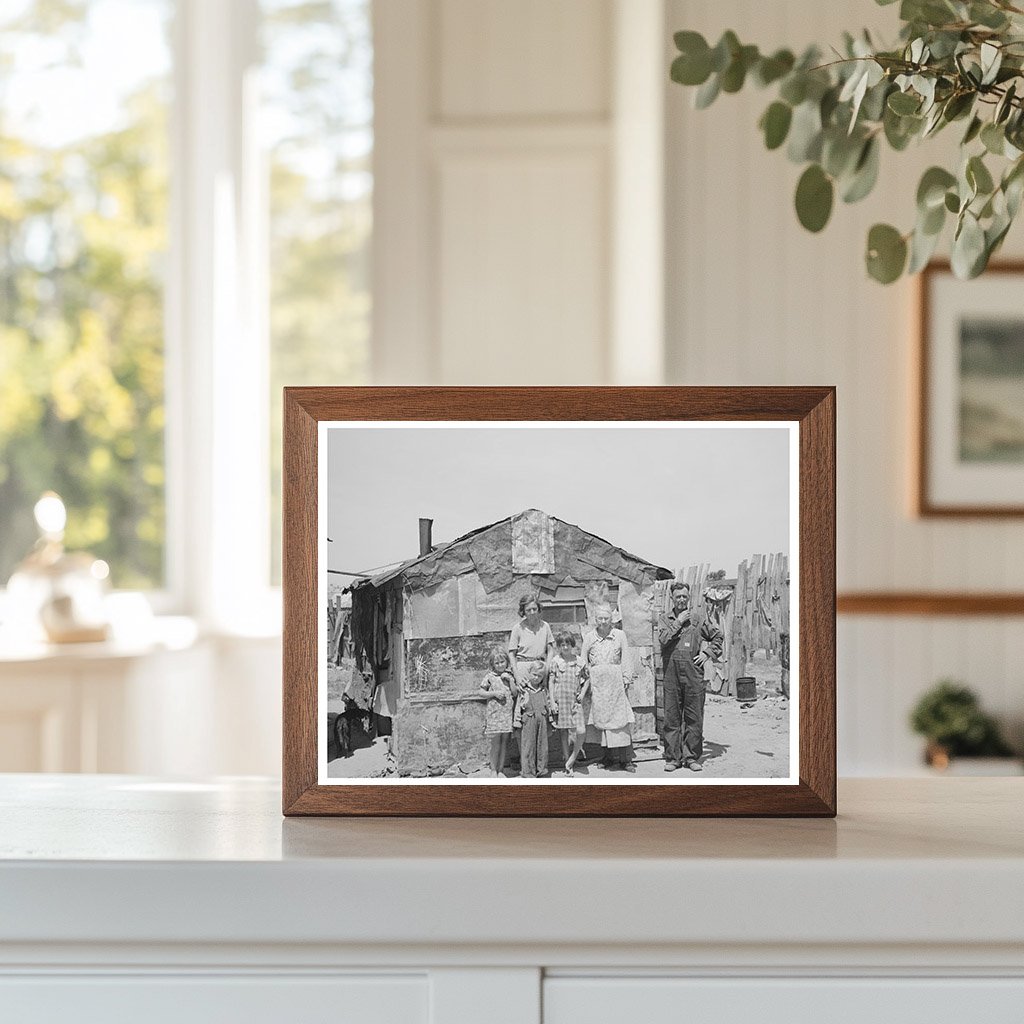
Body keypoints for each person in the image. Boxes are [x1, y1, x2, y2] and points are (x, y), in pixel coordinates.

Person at [659, 583, 724, 772]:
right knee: (671, 717)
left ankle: (692, 757)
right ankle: (673, 758)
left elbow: (718, 636)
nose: (681, 600)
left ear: (689, 598)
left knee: (694, 717)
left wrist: (707, 654)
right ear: (672, 598)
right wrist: (678, 622)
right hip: (671, 675)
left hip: (693, 674)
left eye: (684, 597)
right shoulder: (665, 619)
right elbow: (663, 640)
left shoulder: (697, 619)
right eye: (678, 596)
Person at [579, 603, 635, 772]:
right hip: (598, 685)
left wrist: (626, 677)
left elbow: (626, 657)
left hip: (616, 683)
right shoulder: (589, 637)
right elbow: (583, 660)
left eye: (606, 618)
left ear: (612, 619)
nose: (603, 622)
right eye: (600, 618)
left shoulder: (619, 635)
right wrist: (585, 681)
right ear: (595, 619)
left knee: (621, 719)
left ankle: (626, 759)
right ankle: (608, 757)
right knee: (602, 721)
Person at [477, 648, 518, 777]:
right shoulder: (489, 676)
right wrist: (493, 693)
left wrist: (511, 680)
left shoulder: (510, 675)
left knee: (505, 741)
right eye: (497, 663)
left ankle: (501, 769)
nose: (500, 665)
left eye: (502, 662)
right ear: (492, 664)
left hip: (506, 714)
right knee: (495, 742)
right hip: (495, 714)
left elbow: (515, 693)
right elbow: (481, 692)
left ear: (506, 661)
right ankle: (493, 769)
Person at [549, 631, 583, 773]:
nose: (565, 647)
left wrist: (583, 692)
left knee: (580, 730)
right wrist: (552, 701)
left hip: (575, 700)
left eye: (568, 644)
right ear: (559, 647)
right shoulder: (556, 661)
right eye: (562, 645)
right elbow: (551, 681)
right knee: (563, 731)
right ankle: (567, 761)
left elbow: (587, 678)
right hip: (561, 699)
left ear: (572, 645)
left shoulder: (579, 661)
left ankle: (573, 757)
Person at [507, 594, 556, 691]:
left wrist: (546, 671)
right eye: (528, 610)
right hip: (523, 670)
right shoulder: (517, 628)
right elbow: (511, 654)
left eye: (534, 609)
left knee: (541, 702)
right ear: (523, 612)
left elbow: (550, 650)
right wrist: (517, 677)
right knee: (525, 703)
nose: (532, 612)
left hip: (540, 670)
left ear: (539, 609)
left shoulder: (545, 626)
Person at [518, 659, 551, 778]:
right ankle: (528, 772)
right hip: (529, 719)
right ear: (529, 672)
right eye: (534, 674)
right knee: (528, 746)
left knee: (542, 745)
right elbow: (519, 706)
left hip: (542, 719)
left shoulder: (544, 690)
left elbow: (548, 704)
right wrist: (517, 720)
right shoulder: (524, 690)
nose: (536, 678)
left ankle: (541, 770)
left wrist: (550, 720)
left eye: (540, 676)